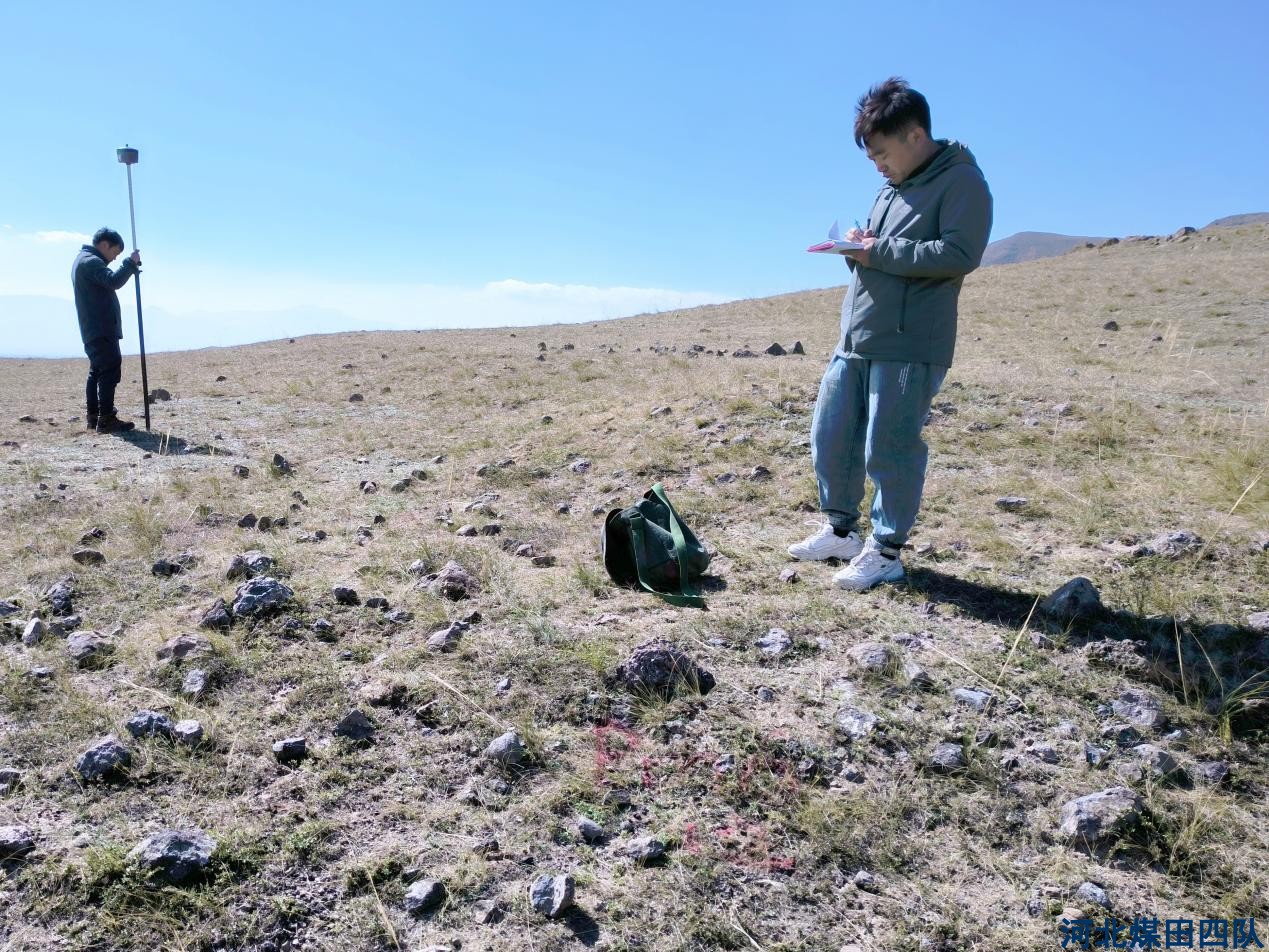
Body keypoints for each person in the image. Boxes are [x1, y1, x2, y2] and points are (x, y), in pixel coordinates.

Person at [789, 77, 993, 590]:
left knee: (890, 445)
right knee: (830, 435)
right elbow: (879, 259)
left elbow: (959, 256)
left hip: (910, 343)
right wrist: (857, 249)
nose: (877, 165)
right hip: (857, 337)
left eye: (882, 152)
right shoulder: (889, 190)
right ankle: (841, 531)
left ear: (915, 135)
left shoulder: (963, 182)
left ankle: (886, 550)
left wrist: (876, 250)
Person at [72, 227, 141, 433]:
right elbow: (113, 281)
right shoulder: (91, 262)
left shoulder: (82, 260)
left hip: (93, 328)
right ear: (104, 245)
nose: (113, 258)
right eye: (114, 253)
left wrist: (129, 267)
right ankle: (106, 419)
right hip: (101, 328)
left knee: (97, 371)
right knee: (109, 370)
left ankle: (94, 417)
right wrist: (129, 263)